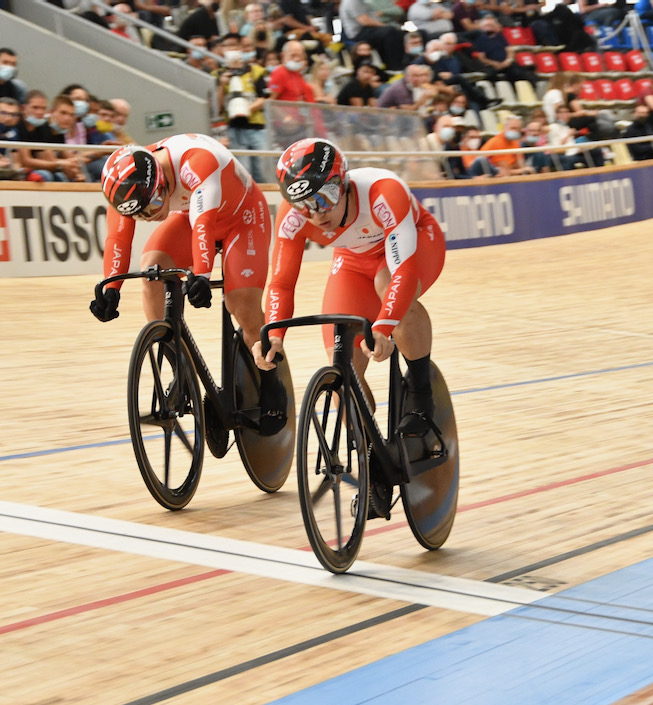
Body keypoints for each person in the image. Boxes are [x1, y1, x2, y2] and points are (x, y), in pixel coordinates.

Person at [93, 136, 288, 433]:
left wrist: (202, 275)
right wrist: (111, 289)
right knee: (152, 271)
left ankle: (271, 381)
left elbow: (204, 225)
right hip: (192, 215)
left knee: (241, 303)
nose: (149, 216)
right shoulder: (124, 186)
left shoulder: (196, 161)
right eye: (139, 213)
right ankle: (179, 367)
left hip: (242, 217)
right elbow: (118, 239)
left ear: (161, 179)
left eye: (155, 203)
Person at [256, 138, 445, 441]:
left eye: (324, 198)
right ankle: (373, 457)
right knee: (343, 376)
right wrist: (274, 337)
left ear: (343, 183)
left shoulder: (383, 191)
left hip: (416, 246)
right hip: (353, 260)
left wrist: (384, 326)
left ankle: (422, 392)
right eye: (303, 205)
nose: (316, 214)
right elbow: (280, 283)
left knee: (388, 283)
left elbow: (404, 273)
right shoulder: (293, 218)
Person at [14, 91, 83, 181]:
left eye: (43, 108)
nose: (40, 112)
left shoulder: (39, 127)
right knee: (49, 175)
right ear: (23, 109)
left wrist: (76, 170)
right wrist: (61, 164)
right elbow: (27, 162)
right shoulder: (20, 126)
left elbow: (65, 157)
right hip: (18, 170)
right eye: (35, 108)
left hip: (35, 169)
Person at [340, 0, 405, 70]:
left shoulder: (361, 2)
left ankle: (397, 63)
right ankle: (395, 67)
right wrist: (384, 26)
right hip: (359, 33)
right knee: (389, 32)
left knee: (398, 33)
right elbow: (365, 21)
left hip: (367, 30)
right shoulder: (352, 1)